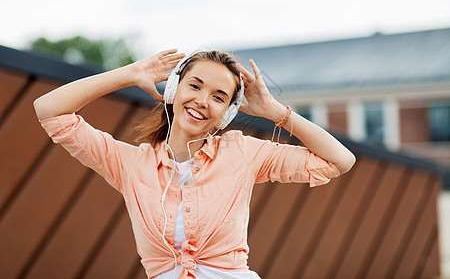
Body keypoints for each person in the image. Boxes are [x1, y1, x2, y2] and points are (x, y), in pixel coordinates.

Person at [33, 49, 356, 279]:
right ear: (174, 90)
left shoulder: (241, 151)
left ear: (227, 113)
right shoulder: (131, 164)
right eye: (195, 85)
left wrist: (276, 112)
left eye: (218, 97)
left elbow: (338, 161)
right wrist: (129, 74)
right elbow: (49, 110)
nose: (202, 100)